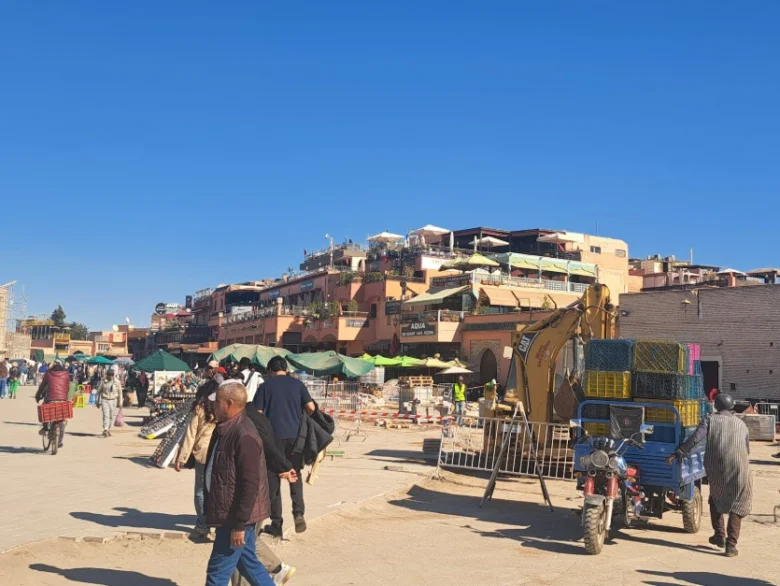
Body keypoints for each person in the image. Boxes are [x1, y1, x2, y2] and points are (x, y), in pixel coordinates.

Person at [203, 381, 275, 586]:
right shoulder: (226, 429)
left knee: (217, 574)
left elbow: (250, 483)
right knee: (247, 564)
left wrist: (239, 524)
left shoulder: (244, 435)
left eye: (216, 402)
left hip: (234, 516)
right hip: (230, 512)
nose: (213, 406)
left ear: (228, 403)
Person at [667, 393, 752, 557]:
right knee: (738, 505)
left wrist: (679, 452)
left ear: (716, 407)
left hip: (717, 467)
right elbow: (747, 450)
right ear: (731, 407)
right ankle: (731, 546)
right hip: (741, 468)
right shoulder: (742, 424)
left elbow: (695, 438)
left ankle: (719, 536)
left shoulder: (710, 419)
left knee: (715, 498)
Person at [253, 356, 315, 536]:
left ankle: (276, 523)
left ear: (271, 370)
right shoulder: (298, 385)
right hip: (297, 438)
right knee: (295, 474)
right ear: (286, 369)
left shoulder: (266, 387)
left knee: (273, 478)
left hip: (274, 439)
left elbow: (257, 413)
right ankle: (298, 513)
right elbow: (311, 407)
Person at [175, 379, 219, 539]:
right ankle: (218, 523)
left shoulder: (199, 409)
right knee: (216, 490)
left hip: (202, 453)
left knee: (200, 490)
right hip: (219, 453)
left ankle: (202, 524)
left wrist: (182, 457)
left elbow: (190, 434)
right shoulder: (223, 409)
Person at [35, 361, 70, 448]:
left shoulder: (48, 374)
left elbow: (42, 386)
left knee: (45, 409)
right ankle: (60, 441)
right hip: (62, 399)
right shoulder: (66, 374)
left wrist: (37, 396)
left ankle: (45, 427)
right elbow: (68, 387)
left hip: (50, 398)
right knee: (62, 419)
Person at [95, 370, 123, 437]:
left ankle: (108, 429)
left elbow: (120, 393)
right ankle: (105, 429)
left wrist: (120, 403)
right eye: (109, 375)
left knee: (111, 416)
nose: (110, 376)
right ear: (107, 375)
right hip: (105, 400)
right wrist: (97, 402)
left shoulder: (117, 382)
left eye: (112, 375)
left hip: (113, 400)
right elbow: (98, 392)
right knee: (106, 415)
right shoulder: (103, 381)